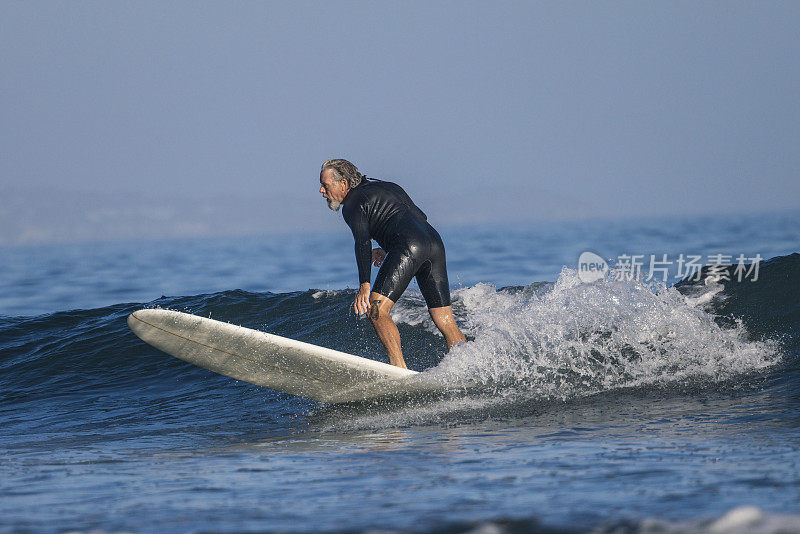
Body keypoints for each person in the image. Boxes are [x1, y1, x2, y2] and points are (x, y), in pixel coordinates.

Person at [319, 158, 466, 368]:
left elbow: (362, 242)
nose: (322, 191)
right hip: (434, 242)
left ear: (343, 183)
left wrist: (364, 286)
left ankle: (399, 368)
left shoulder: (352, 204)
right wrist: (388, 248)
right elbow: (419, 216)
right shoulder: (388, 186)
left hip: (409, 245)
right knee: (444, 319)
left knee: (376, 310)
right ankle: (466, 367)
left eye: (325, 185)